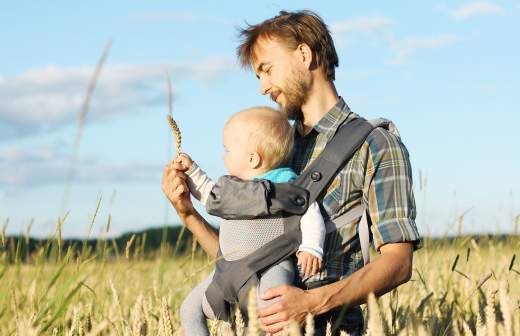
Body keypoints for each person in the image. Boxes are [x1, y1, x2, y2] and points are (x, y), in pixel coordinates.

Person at [162, 10, 421, 335]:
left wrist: (312, 303)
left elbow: (398, 264)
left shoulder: (376, 145)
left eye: (266, 70)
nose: (263, 87)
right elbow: (243, 262)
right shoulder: (271, 149)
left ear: (304, 54)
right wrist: (188, 214)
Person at [177, 107, 326, 335]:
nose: (222, 155)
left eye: (227, 149)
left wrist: (312, 247)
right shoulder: (231, 189)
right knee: (189, 309)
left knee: (271, 313)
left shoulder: (284, 185)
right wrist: (192, 171)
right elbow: (208, 192)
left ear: (252, 158)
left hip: (270, 266)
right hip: (228, 270)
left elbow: (309, 210)